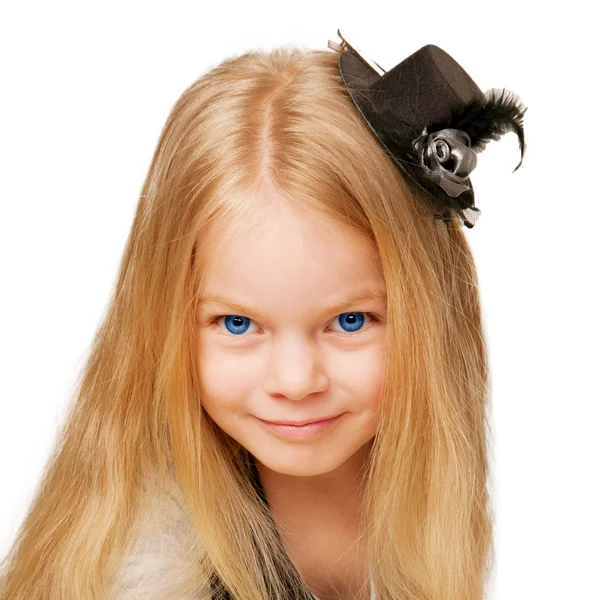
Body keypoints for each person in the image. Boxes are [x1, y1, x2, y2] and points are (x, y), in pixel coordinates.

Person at [0, 30, 526, 600]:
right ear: (165, 320)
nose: (296, 382)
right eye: (238, 325)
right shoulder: (124, 578)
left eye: (350, 321)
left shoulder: (428, 513)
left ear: (430, 314)